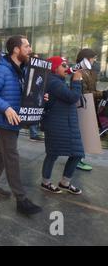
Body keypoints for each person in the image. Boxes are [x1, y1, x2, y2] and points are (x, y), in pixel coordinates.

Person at [0, 35, 42, 215]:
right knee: (12, 157)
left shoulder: (20, 69)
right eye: (27, 46)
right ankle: (21, 199)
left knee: (2, 152)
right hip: (5, 121)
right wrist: (6, 107)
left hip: (14, 120)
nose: (30, 49)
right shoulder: (3, 69)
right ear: (16, 49)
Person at [40, 56, 84, 194]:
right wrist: (76, 81)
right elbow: (72, 98)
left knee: (77, 153)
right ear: (54, 68)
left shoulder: (59, 81)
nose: (67, 68)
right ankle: (45, 182)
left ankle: (65, 182)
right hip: (56, 124)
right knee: (53, 153)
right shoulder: (53, 82)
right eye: (63, 65)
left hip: (67, 124)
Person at [74, 49, 108, 171]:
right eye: (93, 58)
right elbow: (83, 92)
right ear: (86, 58)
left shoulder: (90, 72)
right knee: (81, 135)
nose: (94, 60)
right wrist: (101, 94)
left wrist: (101, 95)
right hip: (82, 106)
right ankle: (77, 160)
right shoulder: (79, 72)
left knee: (85, 135)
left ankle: (79, 159)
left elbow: (90, 91)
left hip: (88, 106)